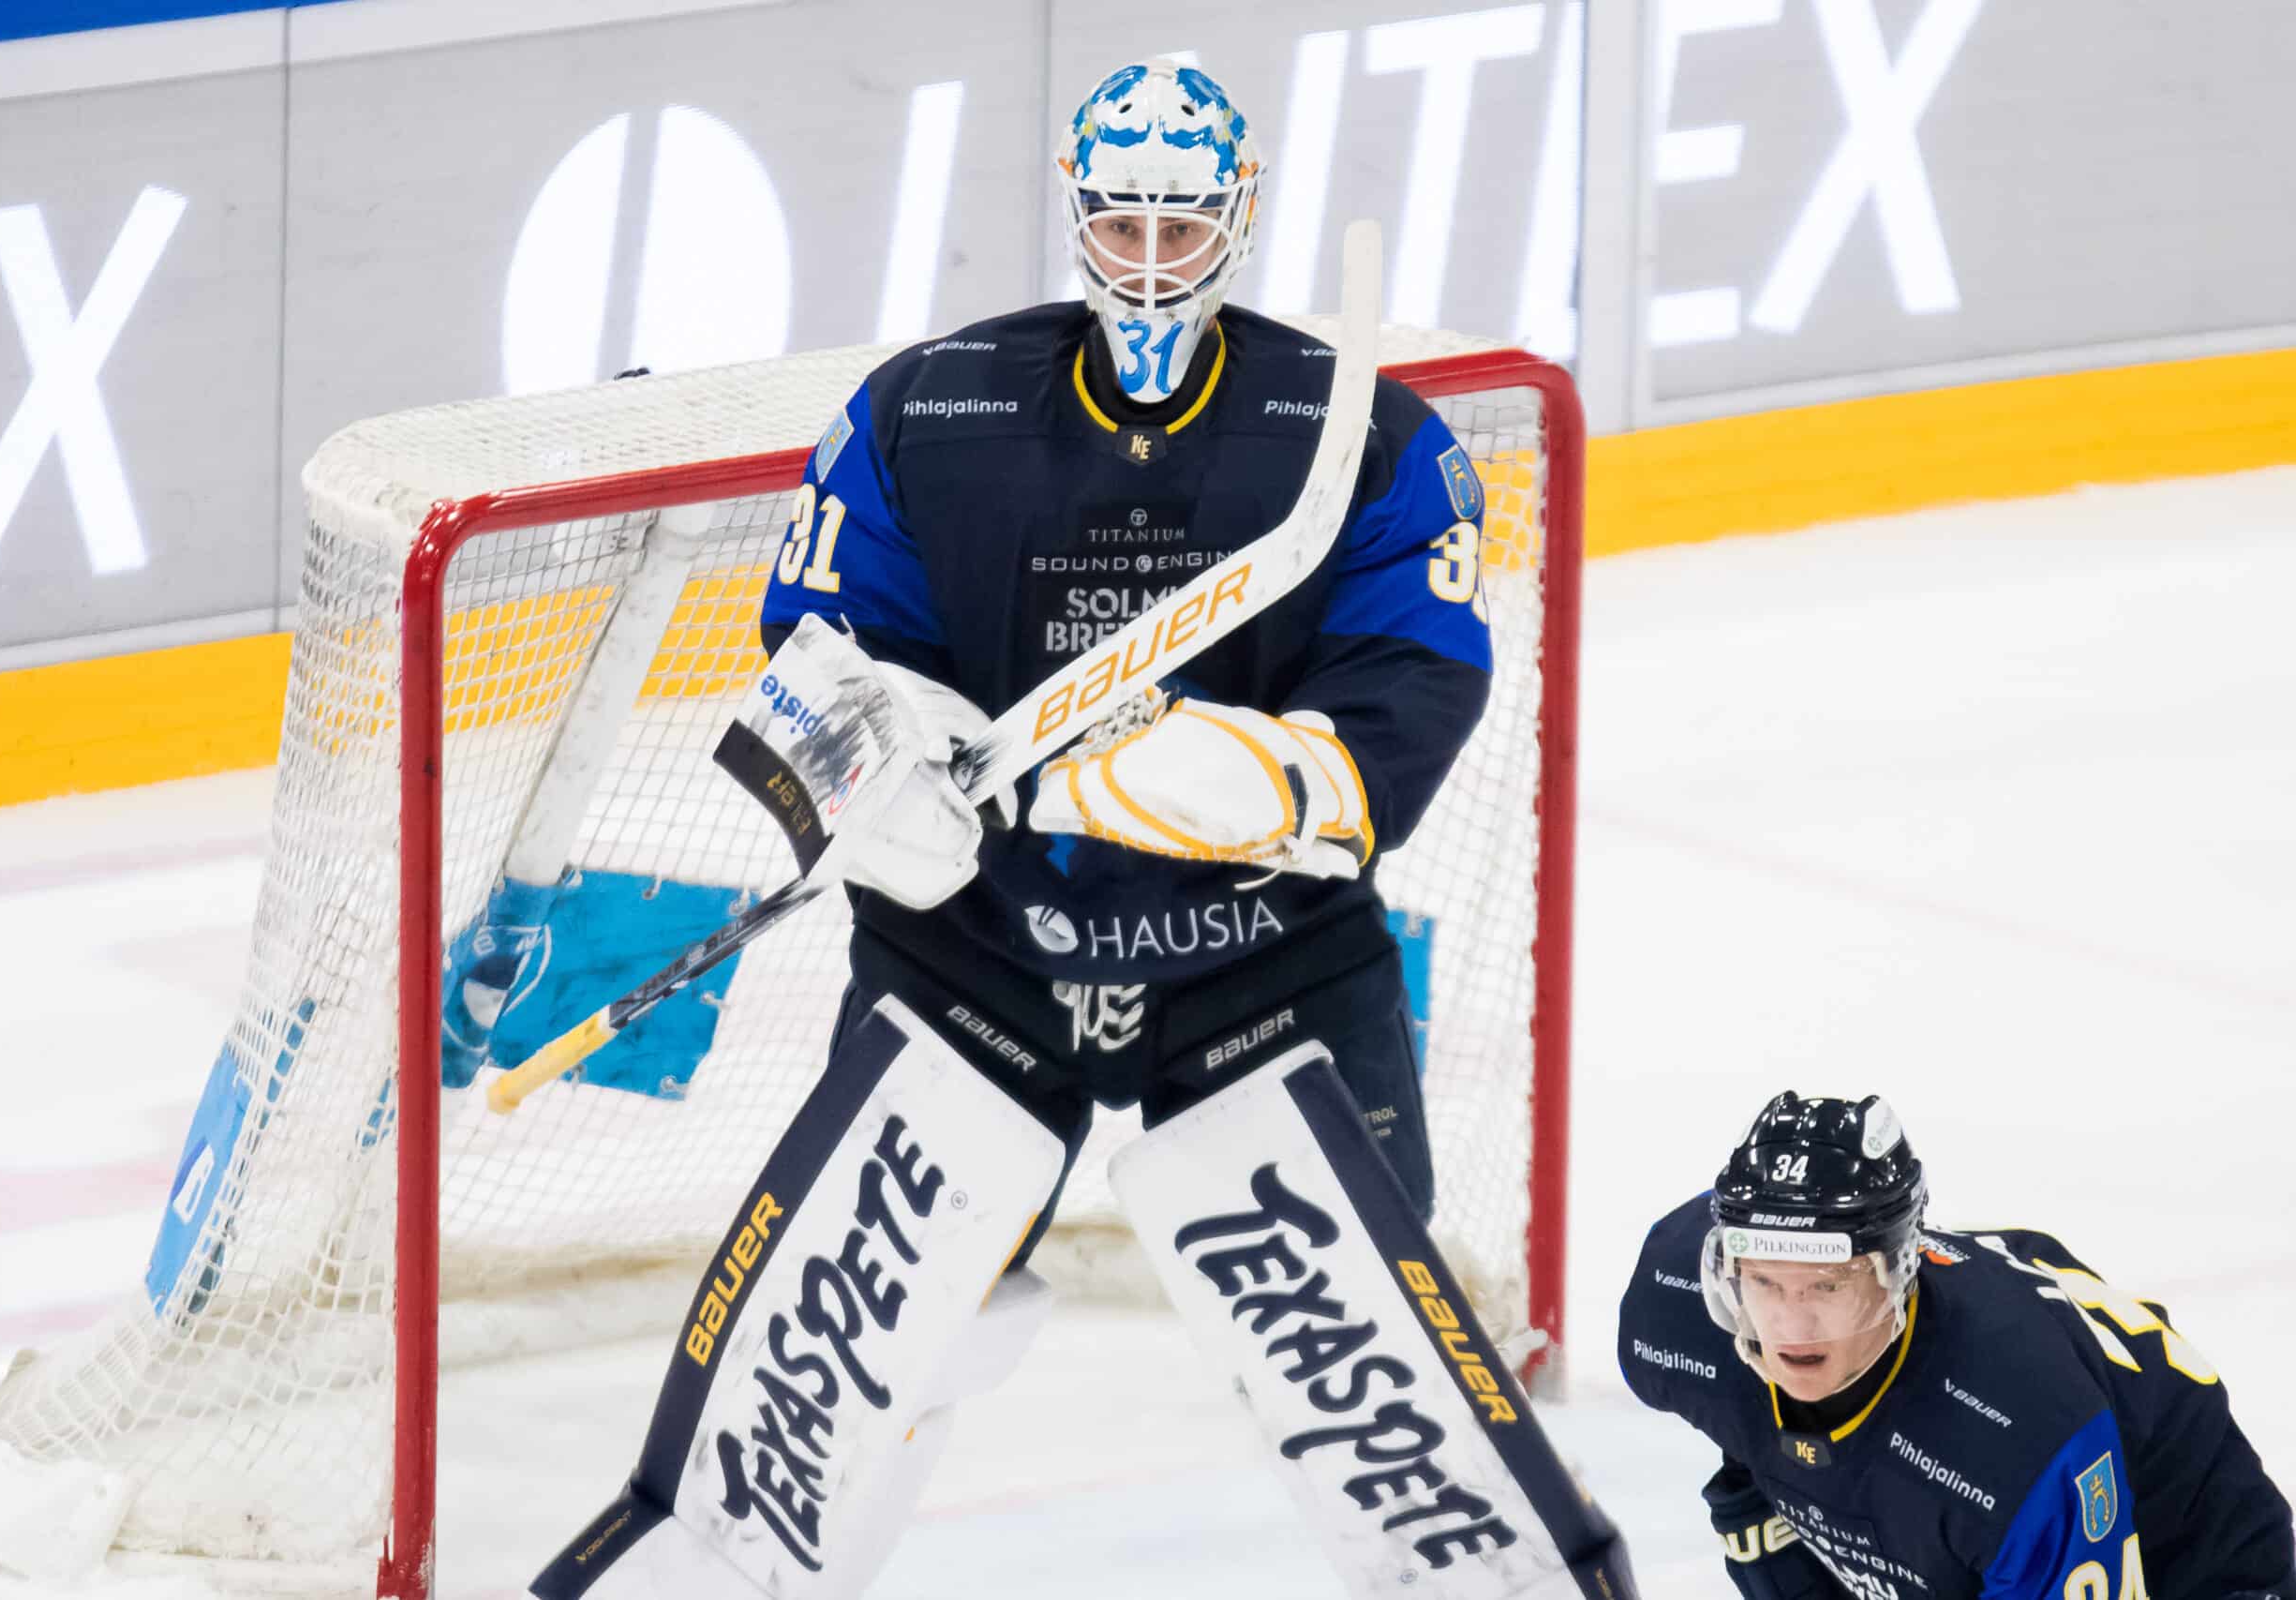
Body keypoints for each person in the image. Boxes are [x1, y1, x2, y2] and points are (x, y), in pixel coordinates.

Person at [526, 57, 1634, 1600]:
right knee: (870, 1342)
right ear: (1079, 217)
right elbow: (819, 649)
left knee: (1367, 1361)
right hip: (974, 966)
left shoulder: (1359, 437)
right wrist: (874, 764)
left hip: (1265, 974)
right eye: (1125, 224)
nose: (1155, 262)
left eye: (1186, 229)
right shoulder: (931, 408)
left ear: (1238, 219)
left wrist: (1271, 778)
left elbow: (1416, 682)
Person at [1619, 1091, 2294, 1599]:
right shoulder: (1673, 1303)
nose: (1792, 1328)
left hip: (2190, 1559)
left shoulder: (2017, 1435)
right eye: (1766, 1282)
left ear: (1898, 1272)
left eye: (1827, 1286)